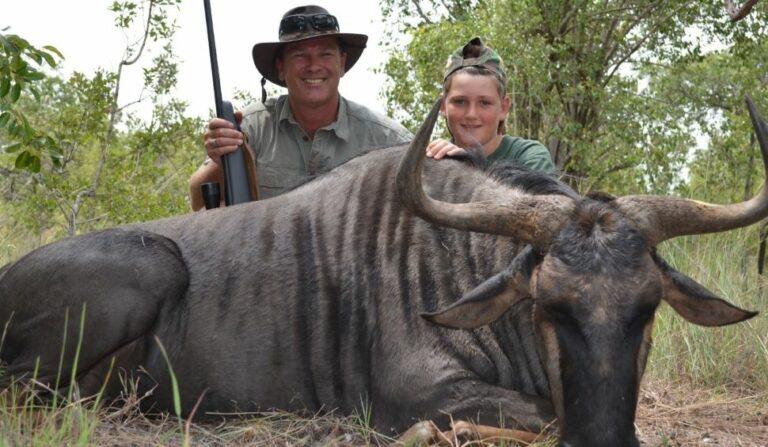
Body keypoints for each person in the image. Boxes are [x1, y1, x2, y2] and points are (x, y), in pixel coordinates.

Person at [190, 5, 411, 209]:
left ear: (342, 63)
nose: (313, 66)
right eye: (299, 55)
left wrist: (443, 150)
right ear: (281, 68)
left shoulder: (388, 139)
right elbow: (199, 203)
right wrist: (222, 159)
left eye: (325, 54)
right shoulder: (249, 128)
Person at [426, 37, 555, 173]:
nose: (471, 114)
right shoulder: (430, 162)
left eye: (484, 103)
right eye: (460, 101)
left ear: (503, 108)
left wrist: (466, 165)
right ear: (443, 106)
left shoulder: (530, 156)